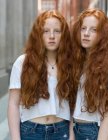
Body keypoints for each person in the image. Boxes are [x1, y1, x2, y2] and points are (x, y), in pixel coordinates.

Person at [8, 10, 73, 140]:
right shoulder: (23, 62)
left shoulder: (70, 64)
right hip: (31, 131)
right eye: (46, 31)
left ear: (63, 35)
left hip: (62, 131)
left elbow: (73, 105)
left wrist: (71, 136)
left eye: (57, 31)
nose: (52, 36)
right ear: (38, 34)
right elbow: (13, 104)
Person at [71, 9, 108, 140]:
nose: (86, 33)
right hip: (77, 130)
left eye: (93, 30)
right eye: (83, 28)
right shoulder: (80, 61)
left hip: (95, 133)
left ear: (103, 35)